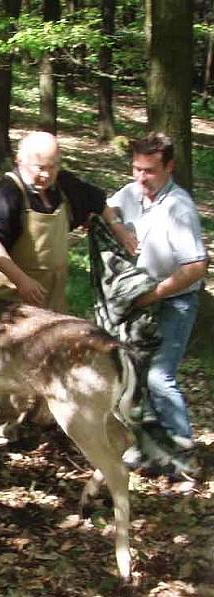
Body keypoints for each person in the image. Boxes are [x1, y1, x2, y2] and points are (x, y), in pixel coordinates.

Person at [0, 131, 131, 440]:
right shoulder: (8, 192)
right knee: (9, 360)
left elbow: (99, 202)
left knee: (49, 354)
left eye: (52, 166)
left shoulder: (63, 186)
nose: (45, 174)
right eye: (38, 167)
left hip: (51, 290)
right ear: (20, 161)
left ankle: (44, 415)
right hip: (11, 292)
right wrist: (21, 279)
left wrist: (119, 229)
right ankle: (6, 426)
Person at [108, 132, 208, 471]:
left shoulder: (179, 207)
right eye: (136, 168)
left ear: (170, 167)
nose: (141, 177)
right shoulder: (132, 193)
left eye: (149, 170)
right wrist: (119, 230)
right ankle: (149, 447)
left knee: (158, 377)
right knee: (133, 375)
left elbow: (196, 266)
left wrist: (154, 294)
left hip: (173, 302)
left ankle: (183, 453)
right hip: (141, 302)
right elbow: (105, 210)